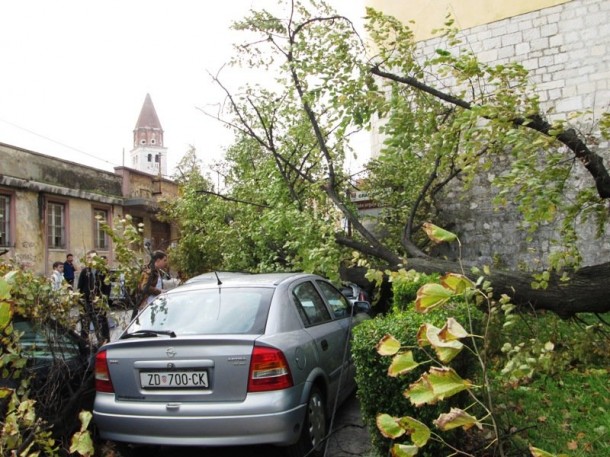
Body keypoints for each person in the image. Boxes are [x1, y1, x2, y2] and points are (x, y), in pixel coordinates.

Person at [77, 249, 110, 341]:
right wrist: (81, 300)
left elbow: (107, 287)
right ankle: (84, 341)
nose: (90, 260)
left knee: (101, 322)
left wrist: (104, 300)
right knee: (85, 322)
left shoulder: (103, 271)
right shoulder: (85, 271)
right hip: (86, 301)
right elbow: (80, 286)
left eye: (92, 258)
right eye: (88, 258)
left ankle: (104, 340)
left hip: (99, 301)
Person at [135, 250, 168, 317]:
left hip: (155, 304)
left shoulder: (158, 271)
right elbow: (144, 287)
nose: (165, 263)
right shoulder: (149, 271)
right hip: (147, 304)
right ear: (158, 260)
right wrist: (160, 291)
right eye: (164, 260)